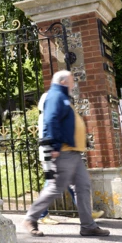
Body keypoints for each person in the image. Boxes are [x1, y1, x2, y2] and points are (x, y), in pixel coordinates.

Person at [23, 70, 110, 237]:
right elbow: (51, 120)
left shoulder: (63, 97)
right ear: (63, 81)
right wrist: (54, 147)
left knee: (83, 187)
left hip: (74, 153)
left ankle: (88, 226)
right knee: (55, 188)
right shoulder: (56, 96)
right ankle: (31, 218)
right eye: (71, 81)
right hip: (63, 152)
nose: (73, 84)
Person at [36, 92, 105, 225]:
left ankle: (87, 212)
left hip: (59, 155)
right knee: (52, 184)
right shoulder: (47, 116)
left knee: (73, 184)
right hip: (52, 155)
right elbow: (49, 137)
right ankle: (40, 215)